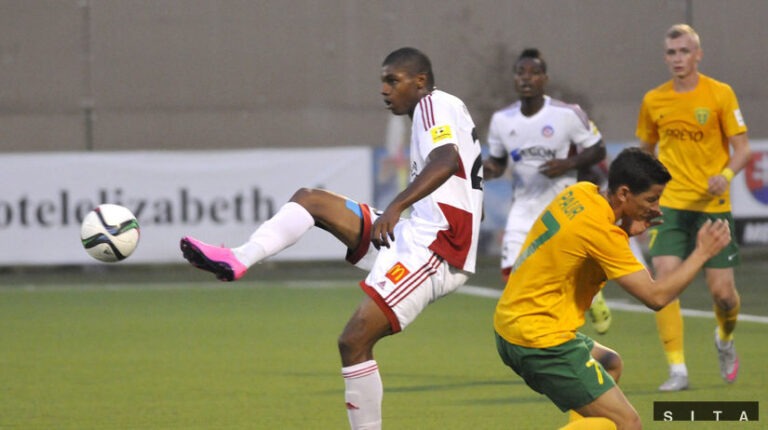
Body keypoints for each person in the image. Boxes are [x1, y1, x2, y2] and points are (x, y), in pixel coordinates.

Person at [179, 47, 484, 430]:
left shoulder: (431, 105)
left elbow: (446, 160)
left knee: (354, 341)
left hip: (438, 247)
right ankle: (239, 257)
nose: (384, 89)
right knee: (312, 201)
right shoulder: (445, 108)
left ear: (419, 81)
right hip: (419, 233)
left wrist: (396, 206)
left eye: (392, 80)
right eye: (383, 81)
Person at [494, 147, 731, 430]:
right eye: (651, 199)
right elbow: (656, 297)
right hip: (539, 340)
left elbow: (580, 245)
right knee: (627, 424)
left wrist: (626, 229)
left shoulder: (581, 192)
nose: (656, 208)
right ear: (624, 193)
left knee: (609, 364)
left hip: (511, 324)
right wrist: (702, 253)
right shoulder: (602, 232)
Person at [636, 24, 751, 392]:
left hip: (712, 206)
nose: (678, 58)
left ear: (698, 54)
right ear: (665, 57)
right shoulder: (654, 100)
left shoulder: (720, 94)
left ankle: (725, 338)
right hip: (670, 206)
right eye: (672, 52)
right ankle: (677, 370)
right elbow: (645, 152)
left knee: (723, 295)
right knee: (665, 283)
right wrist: (644, 196)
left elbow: (743, 149)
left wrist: (726, 176)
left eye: (684, 51)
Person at [483, 48, 612, 334]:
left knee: (564, 274)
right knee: (512, 276)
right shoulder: (502, 120)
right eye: (521, 73)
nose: (526, 78)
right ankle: (541, 332)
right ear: (514, 78)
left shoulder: (567, 114)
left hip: (561, 208)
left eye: (534, 73)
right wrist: (486, 170)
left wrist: (568, 163)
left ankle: (591, 296)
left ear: (545, 79)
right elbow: (498, 161)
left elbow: (598, 149)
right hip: (523, 208)